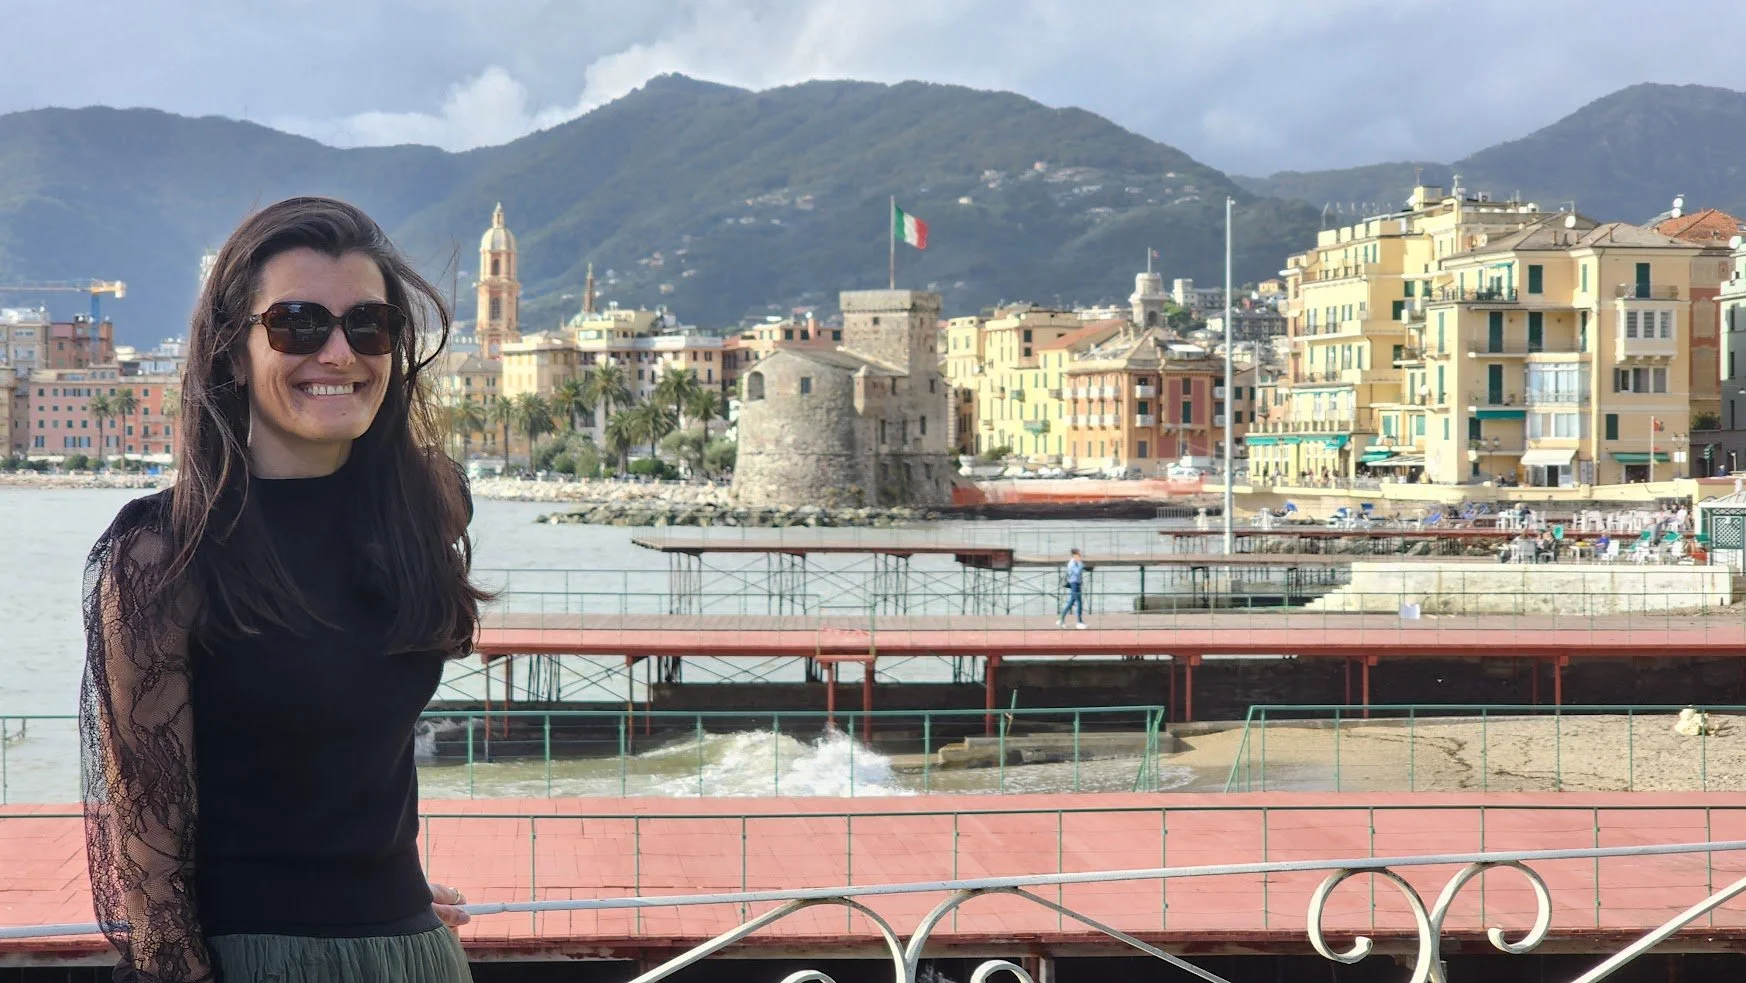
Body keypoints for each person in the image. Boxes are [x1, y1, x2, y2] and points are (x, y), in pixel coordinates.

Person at [80, 198, 487, 982]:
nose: (338, 353)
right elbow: (151, 871)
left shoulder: (425, 508)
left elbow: (354, 769)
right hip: (253, 959)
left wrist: (380, 895)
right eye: (298, 324)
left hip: (414, 954)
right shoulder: (162, 555)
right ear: (233, 351)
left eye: (368, 325)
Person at [1057, 548, 1086, 629]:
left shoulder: (1075, 562)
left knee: (1071, 602)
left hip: (1077, 583)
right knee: (1079, 603)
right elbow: (1077, 572)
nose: (1080, 555)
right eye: (1078, 554)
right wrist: (1080, 563)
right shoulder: (1072, 563)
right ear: (1074, 555)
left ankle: (1061, 620)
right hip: (1074, 584)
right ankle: (1079, 622)